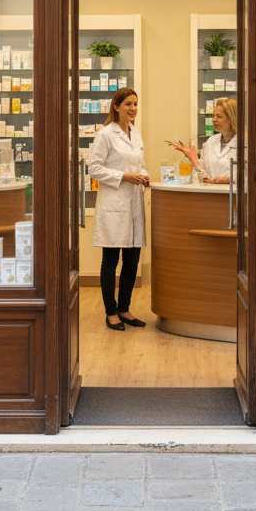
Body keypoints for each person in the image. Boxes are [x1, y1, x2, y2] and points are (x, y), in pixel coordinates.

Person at [89, 87, 150, 331]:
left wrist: (144, 176)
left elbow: (140, 164)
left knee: (132, 261)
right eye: (128, 104)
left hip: (134, 204)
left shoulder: (136, 133)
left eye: (135, 104)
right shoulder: (105, 134)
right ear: (116, 107)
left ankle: (125, 308)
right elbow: (94, 169)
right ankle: (110, 312)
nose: (133, 108)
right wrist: (124, 176)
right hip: (114, 204)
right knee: (111, 260)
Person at [166, 98, 238, 183]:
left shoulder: (244, 143)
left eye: (219, 116)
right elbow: (204, 175)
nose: (214, 119)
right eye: (213, 116)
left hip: (232, 194)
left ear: (231, 118)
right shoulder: (211, 142)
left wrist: (228, 179)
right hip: (210, 193)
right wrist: (194, 159)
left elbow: (248, 175)